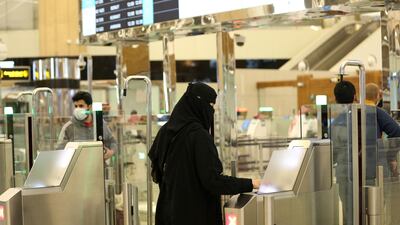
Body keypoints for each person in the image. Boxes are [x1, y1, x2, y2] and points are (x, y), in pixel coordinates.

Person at [149, 82, 260, 225]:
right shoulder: (198, 136)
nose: (211, 111)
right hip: (194, 214)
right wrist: (251, 183)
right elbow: (212, 181)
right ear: (199, 105)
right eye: (210, 105)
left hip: (167, 212)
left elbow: (157, 171)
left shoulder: (166, 131)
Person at [57, 91, 117, 160]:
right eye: (76, 106)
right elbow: (59, 151)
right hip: (78, 168)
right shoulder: (69, 127)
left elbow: (112, 142)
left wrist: (111, 152)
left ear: (89, 106)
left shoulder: (100, 123)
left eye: (81, 106)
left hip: (98, 167)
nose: (77, 109)